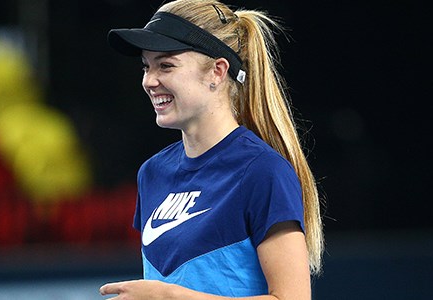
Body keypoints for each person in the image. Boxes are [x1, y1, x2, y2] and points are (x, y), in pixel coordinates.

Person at [100, 0, 324, 299]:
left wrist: (170, 297)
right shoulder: (152, 173)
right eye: (146, 66)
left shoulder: (262, 171)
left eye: (165, 65)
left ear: (218, 71)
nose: (149, 81)